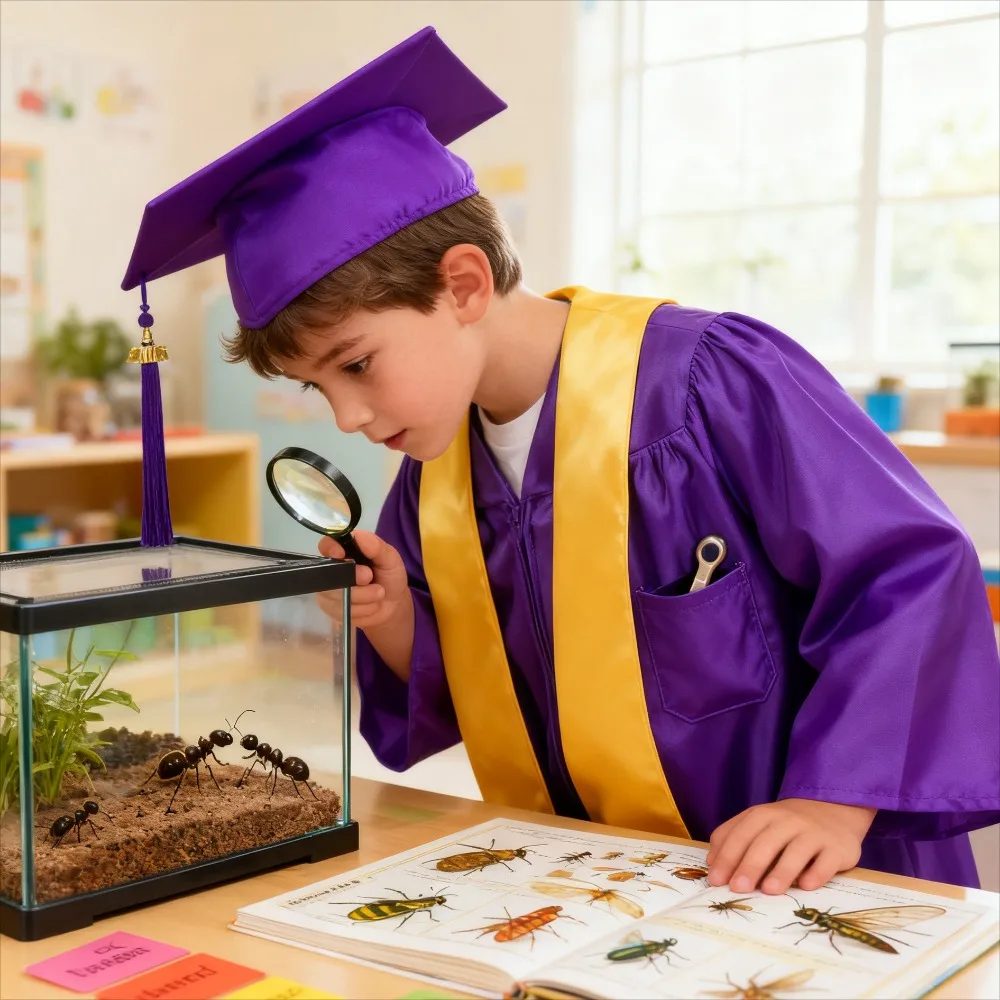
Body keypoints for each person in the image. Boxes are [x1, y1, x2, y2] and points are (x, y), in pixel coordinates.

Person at [122, 26, 1000, 895]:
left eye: (356, 365)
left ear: (462, 284)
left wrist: (829, 804)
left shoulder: (707, 383)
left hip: (816, 882)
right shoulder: (440, 473)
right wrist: (389, 617)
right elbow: (473, 685)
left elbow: (910, 575)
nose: (349, 415)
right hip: (608, 894)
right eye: (320, 389)